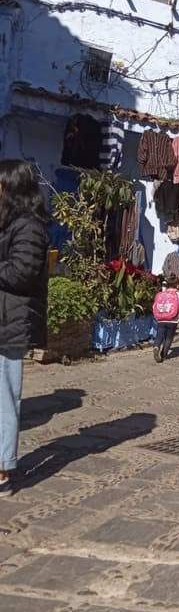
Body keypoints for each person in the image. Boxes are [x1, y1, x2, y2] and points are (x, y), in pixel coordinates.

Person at [0, 160, 49, 497]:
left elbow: (21, 272)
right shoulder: (7, 224)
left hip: (9, 323)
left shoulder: (29, 227)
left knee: (4, 398)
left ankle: (2, 468)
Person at [152, 275, 179, 362]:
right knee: (169, 338)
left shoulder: (160, 294)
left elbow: (154, 306)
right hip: (173, 320)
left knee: (159, 335)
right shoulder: (178, 295)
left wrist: (156, 316)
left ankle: (156, 346)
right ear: (177, 286)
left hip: (161, 319)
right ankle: (163, 355)